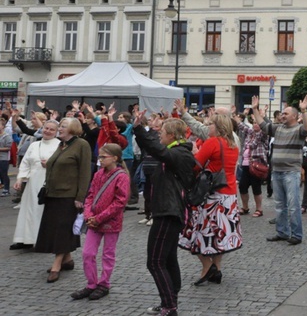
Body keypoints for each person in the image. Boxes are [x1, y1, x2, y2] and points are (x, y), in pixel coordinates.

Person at [133, 113, 197, 316]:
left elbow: (157, 149)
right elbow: (156, 150)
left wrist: (140, 130)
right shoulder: (177, 152)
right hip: (168, 210)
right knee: (168, 259)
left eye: (161, 132)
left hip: (169, 212)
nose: (159, 136)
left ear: (170, 135)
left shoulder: (179, 153)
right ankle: (169, 301)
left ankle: (170, 306)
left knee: (155, 261)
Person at [179, 113, 242, 285]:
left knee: (199, 232)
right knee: (218, 234)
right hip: (228, 194)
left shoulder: (213, 142)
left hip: (212, 194)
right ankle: (217, 269)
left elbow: (195, 164)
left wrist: (195, 152)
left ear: (219, 126)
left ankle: (207, 267)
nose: (208, 127)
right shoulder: (233, 144)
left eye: (211, 124)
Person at [70, 143, 130, 301]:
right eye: (99, 157)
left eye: (104, 157)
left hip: (110, 221)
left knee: (108, 254)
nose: (100, 160)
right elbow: (90, 195)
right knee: (87, 253)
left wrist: (99, 217)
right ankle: (91, 284)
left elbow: (119, 202)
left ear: (115, 158)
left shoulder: (121, 176)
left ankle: (104, 283)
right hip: (94, 220)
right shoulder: (98, 174)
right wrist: (88, 214)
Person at [35, 117, 92, 283]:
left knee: (62, 230)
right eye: (60, 126)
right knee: (56, 229)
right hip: (53, 194)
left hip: (68, 196)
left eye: (63, 126)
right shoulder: (61, 145)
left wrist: (80, 197)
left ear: (73, 129)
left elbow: (85, 173)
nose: (60, 128)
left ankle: (56, 265)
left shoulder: (82, 145)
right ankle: (67, 259)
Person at [252, 94, 307, 245]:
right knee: (279, 205)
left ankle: (296, 234)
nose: (282, 115)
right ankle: (282, 232)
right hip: (277, 171)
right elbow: (263, 125)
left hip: (291, 171)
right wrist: (254, 109)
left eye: (285, 113)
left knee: (293, 205)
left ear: (294, 116)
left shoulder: (299, 129)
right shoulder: (277, 128)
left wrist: (304, 111)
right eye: (282, 113)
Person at [10, 120, 59, 250]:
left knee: (42, 211)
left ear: (56, 132)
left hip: (49, 182)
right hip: (32, 182)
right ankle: (24, 238)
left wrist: (51, 164)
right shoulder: (34, 145)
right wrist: (20, 179)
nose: (48, 131)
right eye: (46, 128)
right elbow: (26, 163)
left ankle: (41, 239)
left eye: (51, 129)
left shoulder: (60, 146)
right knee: (28, 210)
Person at [234, 114, 269, 217]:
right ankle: (245, 207)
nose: (254, 125)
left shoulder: (263, 134)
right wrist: (234, 115)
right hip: (246, 165)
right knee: (242, 186)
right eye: (253, 123)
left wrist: (261, 116)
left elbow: (262, 131)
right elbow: (241, 126)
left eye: (257, 123)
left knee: (256, 187)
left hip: (256, 165)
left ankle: (259, 209)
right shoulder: (250, 133)